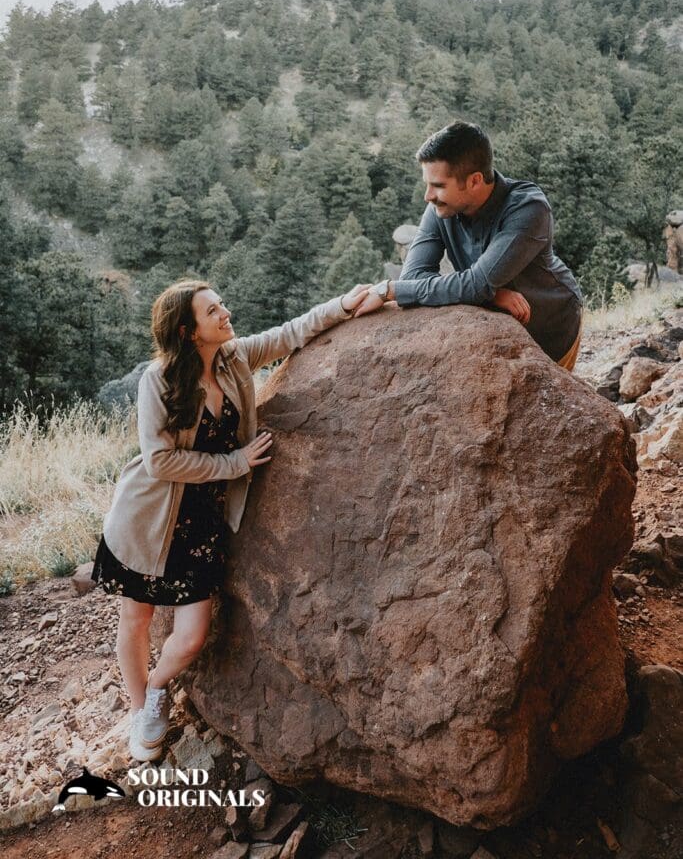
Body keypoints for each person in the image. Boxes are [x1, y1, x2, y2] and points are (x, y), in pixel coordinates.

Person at [92, 279, 371, 761]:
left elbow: (291, 333)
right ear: (188, 330)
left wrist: (344, 304)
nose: (225, 313)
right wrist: (234, 463)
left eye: (221, 304)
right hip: (147, 516)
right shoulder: (157, 381)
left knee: (193, 634)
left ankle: (157, 686)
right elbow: (159, 460)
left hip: (202, 523)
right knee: (135, 618)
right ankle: (141, 714)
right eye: (212, 311)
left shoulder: (234, 358)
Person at [354, 120, 583, 370]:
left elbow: (473, 284)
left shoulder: (529, 209)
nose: (428, 196)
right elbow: (414, 276)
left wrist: (388, 290)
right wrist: (490, 294)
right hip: (494, 329)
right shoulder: (441, 208)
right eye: (427, 184)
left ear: (474, 181)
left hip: (550, 326)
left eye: (439, 186)